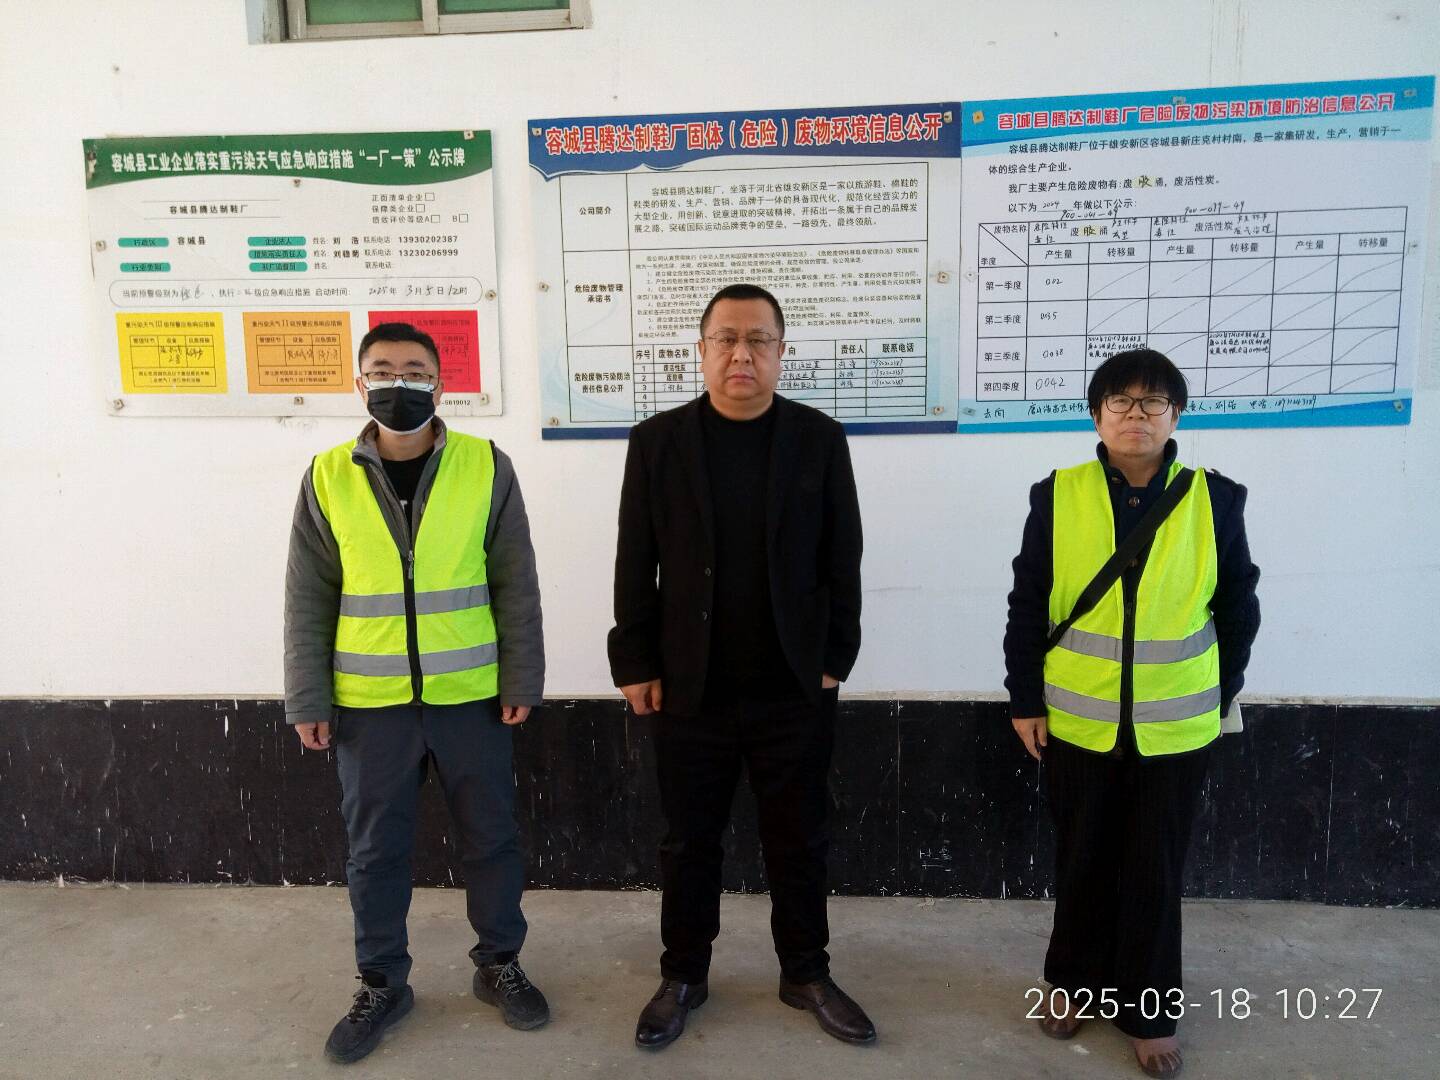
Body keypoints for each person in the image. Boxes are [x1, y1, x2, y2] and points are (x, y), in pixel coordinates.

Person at [608, 283, 874, 1049]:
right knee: (689, 841)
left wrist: (836, 657)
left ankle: (806, 972)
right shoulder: (657, 443)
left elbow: (844, 555)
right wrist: (634, 659)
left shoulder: (818, 440)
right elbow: (636, 560)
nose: (741, 353)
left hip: (793, 683)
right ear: (701, 351)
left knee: (800, 838)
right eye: (726, 338)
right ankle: (683, 974)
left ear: (781, 353)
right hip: (688, 685)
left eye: (758, 339)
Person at [284, 322, 548, 1064]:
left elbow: (515, 582)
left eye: (414, 370)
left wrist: (522, 678)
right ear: (359, 383)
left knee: (491, 839)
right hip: (370, 707)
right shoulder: (327, 476)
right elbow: (308, 597)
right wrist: (307, 697)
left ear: (440, 383)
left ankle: (499, 964)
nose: (397, 383)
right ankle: (381, 983)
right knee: (375, 853)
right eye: (382, 370)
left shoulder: (485, 466)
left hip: (471, 697)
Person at [1004, 348, 1261, 1079]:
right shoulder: (1058, 494)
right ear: (1097, 415)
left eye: (1153, 402)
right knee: (1082, 860)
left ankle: (1150, 1013)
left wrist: (1216, 693)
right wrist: (1024, 698)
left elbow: (1238, 607)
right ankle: (1071, 984)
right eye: (1120, 402)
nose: (1136, 415)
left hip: (1176, 728)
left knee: (1155, 869)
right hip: (1076, 720)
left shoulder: (1215, 498)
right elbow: (1028, 602)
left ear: (1176, 415)